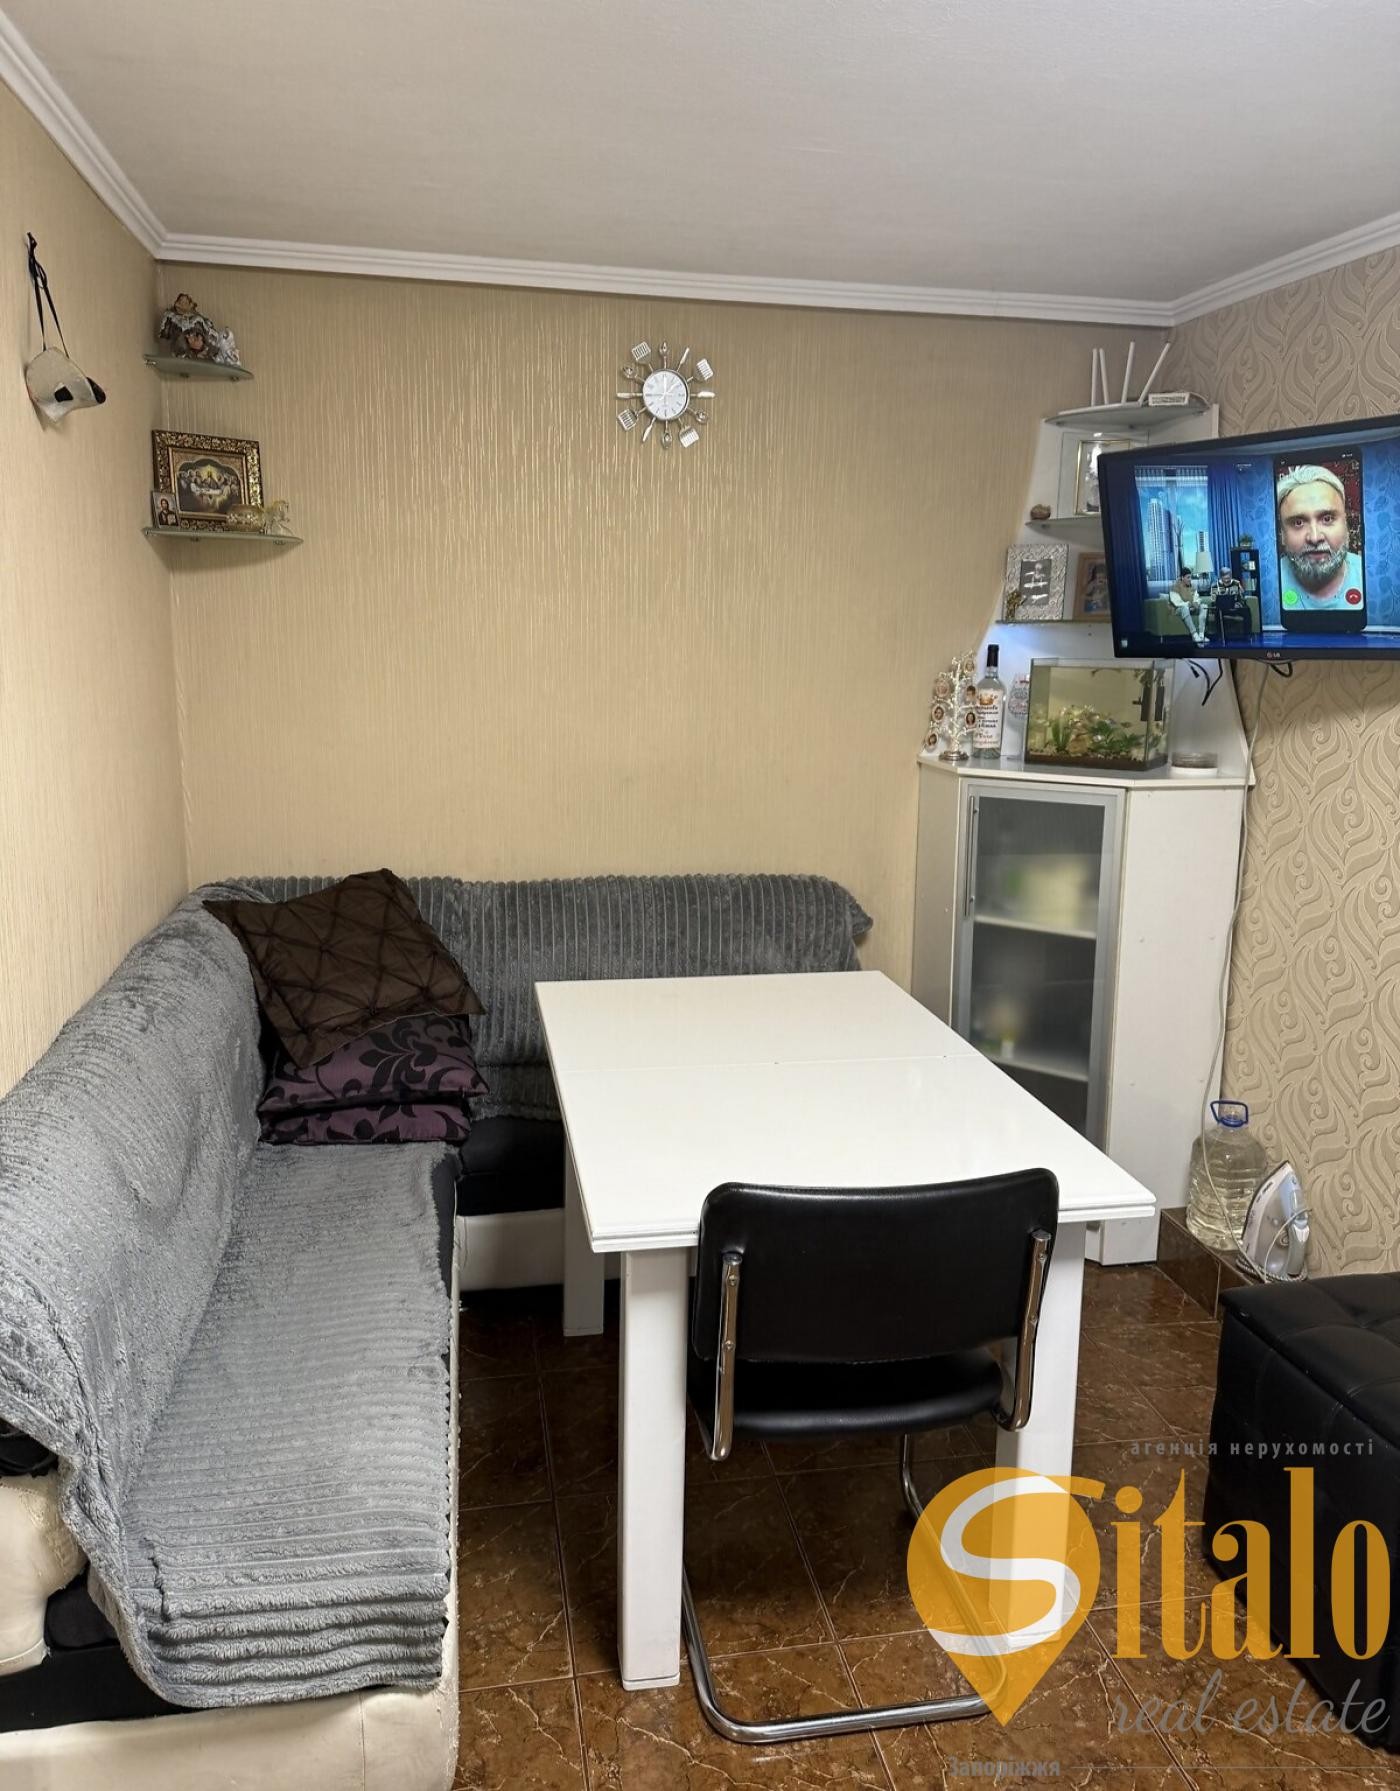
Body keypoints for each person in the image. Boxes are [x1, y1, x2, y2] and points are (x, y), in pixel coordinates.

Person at [1276, 463, 1364, 610]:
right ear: (1282, 534)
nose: (1315, 538)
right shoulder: (1269, 584)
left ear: (1346, 525)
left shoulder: (1372, 576)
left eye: (1327, 519)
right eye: (1298, 522)